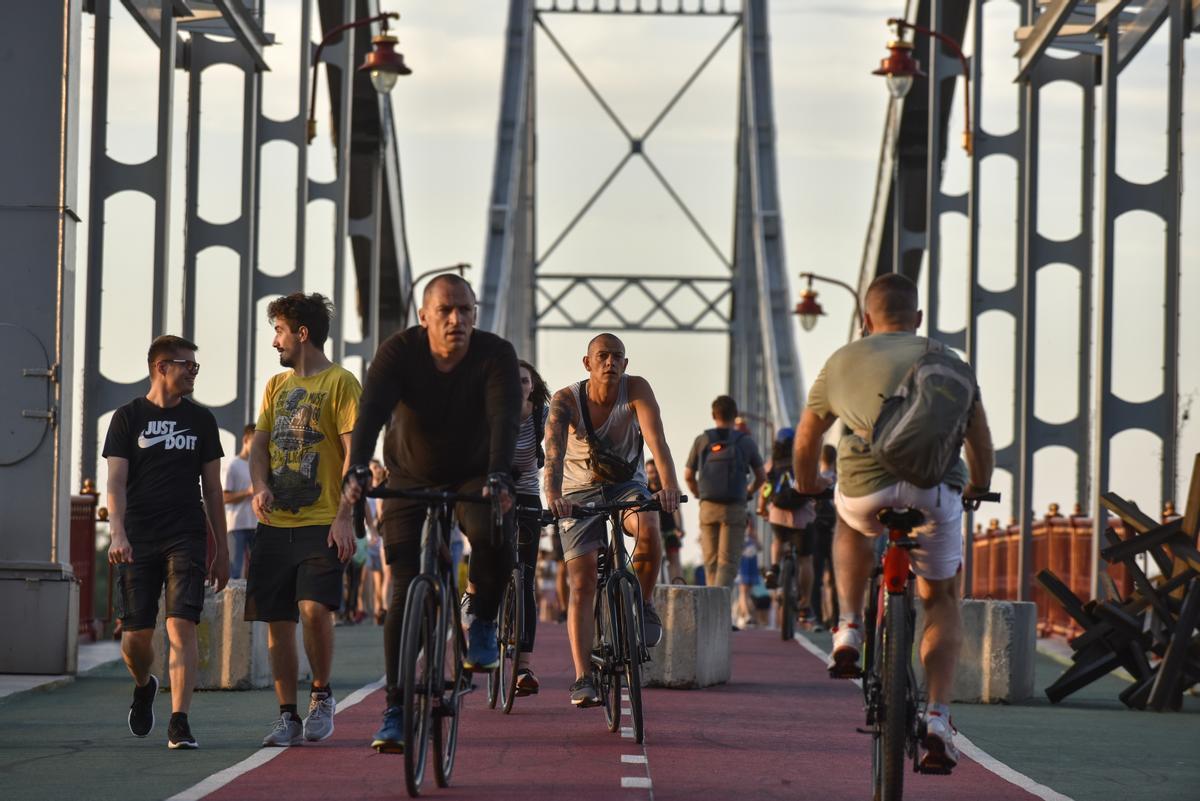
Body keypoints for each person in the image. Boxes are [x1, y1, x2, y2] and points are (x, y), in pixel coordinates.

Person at [792, 272, 995, 772]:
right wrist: (976, 486)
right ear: (918, 319)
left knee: (848, 524)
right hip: (935, 489)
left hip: (866, 489)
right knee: (942, 597)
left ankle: (847, 628)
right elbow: (980, 438)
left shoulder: (842, 360)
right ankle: (939, 718)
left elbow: (807, 439)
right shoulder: (948, 362)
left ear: (866, 320)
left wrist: (807, 484)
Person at [342, 273, 521, 753]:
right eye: (445, 310)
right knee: (403, 585)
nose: (457, 319)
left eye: (465, 310)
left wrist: (501, 475)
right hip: (409, 477)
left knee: (497, 533)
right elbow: (371, 412)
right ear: (424, 317)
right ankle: (396, 705)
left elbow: (504, 417)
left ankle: (481, 618)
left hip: (473, 474)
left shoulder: (495, 354)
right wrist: (357, 469)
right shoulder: (399, 352)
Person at [103, 335, 230, 749]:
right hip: (137, 537)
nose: (193, 372)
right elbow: (116, 483)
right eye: (186, 365)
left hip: (185, 534)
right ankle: (144, 684)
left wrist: (222, 549)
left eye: (196, 366)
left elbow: (212, 490)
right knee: (135, 639)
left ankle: (180, 720)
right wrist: (118, 532)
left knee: (181, 625)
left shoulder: (202, 421)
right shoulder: (127, 418)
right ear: (161, 367)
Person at [247, 293, 362, 747]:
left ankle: (321, 694)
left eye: (278, 330)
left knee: (314, 612)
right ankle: (287, 715)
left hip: (323, 520)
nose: (274, 340)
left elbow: (355, 453)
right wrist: (259, 485)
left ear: (302, 333)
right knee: (277, 621)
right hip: (274, 524)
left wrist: (345, 517)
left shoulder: (342, 383)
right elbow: (258, 445)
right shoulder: (276, 387)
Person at [544, 333, 682, 708]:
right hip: (577, 493)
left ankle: (645, 602)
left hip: (626, 485)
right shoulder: (565, 400)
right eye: (602, 356)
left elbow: (658, 441)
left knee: (649, 530)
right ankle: (582, 677)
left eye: (617, 357)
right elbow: (553, 456)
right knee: (583, 579)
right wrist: (553, 498)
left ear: (625, 363)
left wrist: (668, 488)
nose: (610, 362)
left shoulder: (636, 390)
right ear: (587, 363)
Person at [683, 396, 766, 588]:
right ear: (735, 415)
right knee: (727, 564)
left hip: (708, 506)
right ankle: (718, 610)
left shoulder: (702, 440)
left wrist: (699, 494)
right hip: (735, 507)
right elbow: (761, 477)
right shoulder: (746, 442)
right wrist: (748, 491)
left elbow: (688, 475)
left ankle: (712, 609)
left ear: (713, 415)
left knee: (710, 562)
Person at [758, 428, 818, 627]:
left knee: (778, 540)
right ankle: (805, 605)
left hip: (779, 514)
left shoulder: (772, 463)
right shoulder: (805, 461)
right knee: (805, 559)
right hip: (803, 517)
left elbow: (765, 488)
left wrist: (762, 508)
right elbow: (815, 485)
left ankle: (774, 568)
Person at [222, 424, 257, 580]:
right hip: (237, 526)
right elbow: (224, 497)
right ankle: (230, 604)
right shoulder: (232, 465)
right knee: (235, 571)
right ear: (245, 440)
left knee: (259, 570)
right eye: (255, 443)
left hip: (256, 525)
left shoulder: (258, 466)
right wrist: (247, 492)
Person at [647, 458, 685, 583]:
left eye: (656, 472)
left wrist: (679, 528)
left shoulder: (667, 485)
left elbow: (678, 509)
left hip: (670, 527)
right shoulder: (644, 488)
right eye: (650, 473)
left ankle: (678, 587)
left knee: (674, 559)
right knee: (651, 559)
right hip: (653, 528)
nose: (654, 476)